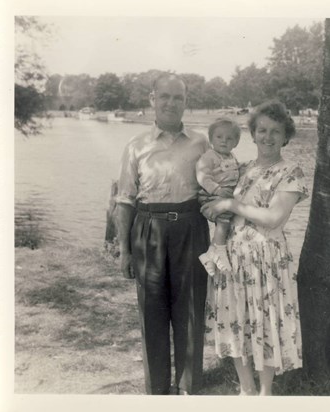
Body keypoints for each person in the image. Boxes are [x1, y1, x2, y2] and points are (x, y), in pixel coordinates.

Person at [201, 100, 309, 396]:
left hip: (267, 260)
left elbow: (274, 217)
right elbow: (219, 201)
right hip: (234, 256)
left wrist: (232, 204)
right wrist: (214, 208)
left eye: (276, 131)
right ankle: (246, 388)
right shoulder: (243, 168)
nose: (268, 136)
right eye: (262, 130)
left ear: (286, 136)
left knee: (266, 321)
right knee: (236, 318)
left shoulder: (291, 171)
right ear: (252, 133)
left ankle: (265, 391)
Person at [115, 73, 210, 395]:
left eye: (178, 97)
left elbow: (219, 187)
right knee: (153, 312)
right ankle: (157, 391)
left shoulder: (201, 143)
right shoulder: (135, 145)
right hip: (148, 229)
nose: (171, 103)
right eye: (165, 96)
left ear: (186, 102)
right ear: (152, 100)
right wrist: (125, 250)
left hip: (190, 228)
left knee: (191, 310)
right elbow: (125, 200)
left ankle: (187, 388)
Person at [196, 117, 241, 276]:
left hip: (224, 195)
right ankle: (219, 250)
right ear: (211, 139)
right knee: (224, 220)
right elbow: (203, 177)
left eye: (229, 138)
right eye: (219, 137)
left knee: (227, 219)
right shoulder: (209, 156)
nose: (224, 141)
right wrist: (217, 190)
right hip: (210, 194)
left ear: (236, 142)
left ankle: (209, 255)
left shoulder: (232, 157)